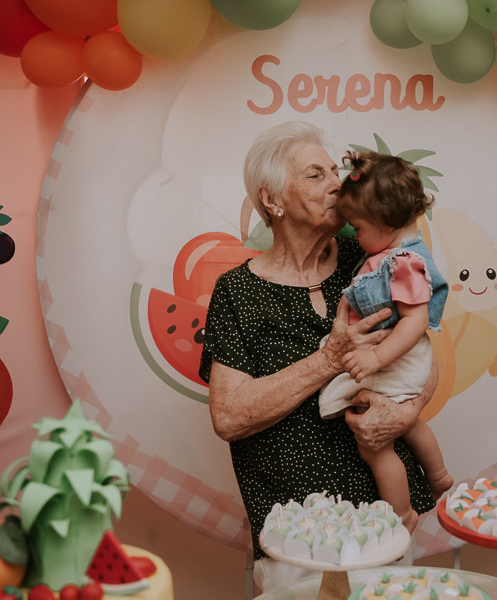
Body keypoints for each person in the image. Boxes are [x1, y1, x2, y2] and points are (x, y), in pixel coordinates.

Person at [200, 121, 437, 592]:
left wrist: (404, 412)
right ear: (273, 201)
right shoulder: (237, 292)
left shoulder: (370, 255)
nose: (337, 182)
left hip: (383, 526)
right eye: (315, 175)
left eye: (334, 170)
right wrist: (329, 360)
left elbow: (425, 356)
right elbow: (228, 417)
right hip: (298, 537)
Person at [318, 151, 452, 532]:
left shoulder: (405, 261)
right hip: (393, 354)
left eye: (357, 227)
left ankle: (402, 513)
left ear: (385, 223)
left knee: (374, 444)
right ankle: (438, 475)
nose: (353, 235)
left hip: (398, 356)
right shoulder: (387, 253)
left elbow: (415, 321)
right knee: (404, 422)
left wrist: (375, 358)